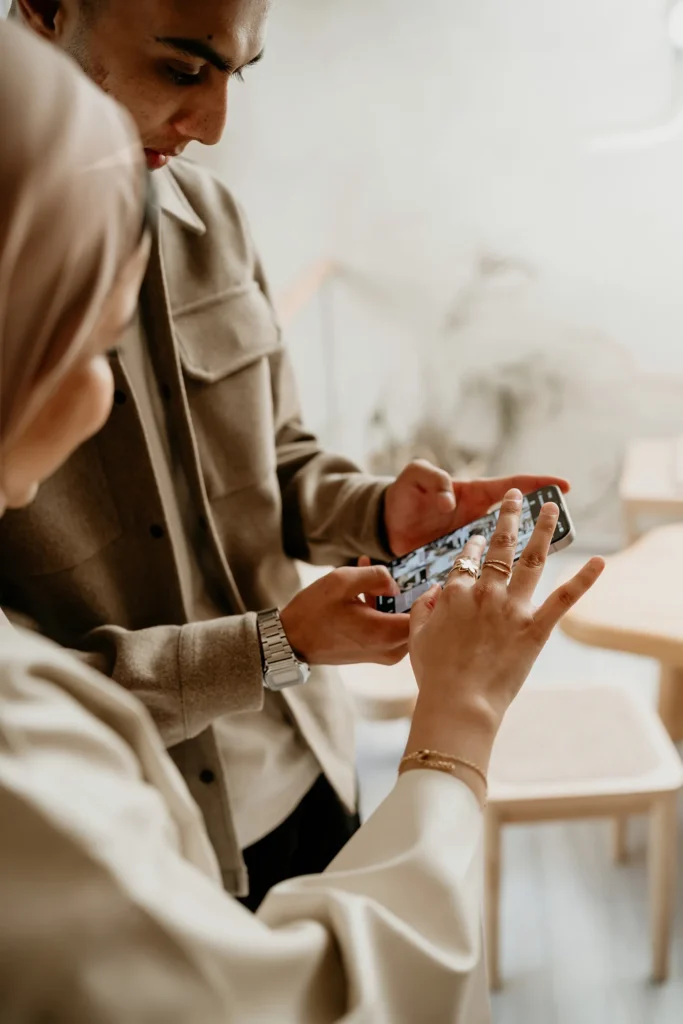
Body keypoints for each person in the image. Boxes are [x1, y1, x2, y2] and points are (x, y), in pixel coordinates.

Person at [0, 21, 604, 1021]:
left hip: (306, 767)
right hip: (154, 815)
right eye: (181, 68)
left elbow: (271, 454)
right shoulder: (54, 790)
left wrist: (380, 510)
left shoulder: (210, 217)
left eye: (237, 72)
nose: (216, 122)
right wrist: (445, 722)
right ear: (44, 15)